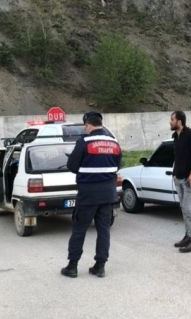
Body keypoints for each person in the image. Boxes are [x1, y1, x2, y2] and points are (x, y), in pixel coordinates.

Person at [61, 112, 121, 278]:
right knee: (103, 230)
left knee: (79, 229)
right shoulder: (114, 142)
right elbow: (117, 165)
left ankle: (72, 266)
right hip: (108, 194)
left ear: (88, 125)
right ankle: (100, 266)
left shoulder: (85, 141)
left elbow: (72, 165)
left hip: (88, 194)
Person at [170, 110, 191, 253]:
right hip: (179, 178)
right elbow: (178, 157)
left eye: (172, 119)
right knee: (183, 208)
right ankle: (188, 236)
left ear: (179, 121)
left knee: (188, 208)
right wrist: (175, 173)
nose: (170, 122)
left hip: (190, 178)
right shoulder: (175, 137)